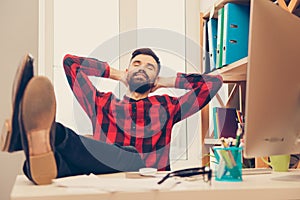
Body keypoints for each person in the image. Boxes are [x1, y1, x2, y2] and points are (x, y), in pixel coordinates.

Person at [0, 48, 223, 185]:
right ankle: (42, 152)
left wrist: (166, 81)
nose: (142, 68)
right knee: (59, 163)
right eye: (136, 64)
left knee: (129, 154)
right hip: (104, 178)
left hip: (146, 177)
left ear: (156, 77)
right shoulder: (102, 103)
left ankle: (35, 135)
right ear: (127, 70)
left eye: (149, 67)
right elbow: (71, 64)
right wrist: (116, 74)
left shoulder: (167, 106)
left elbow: (213, 84)